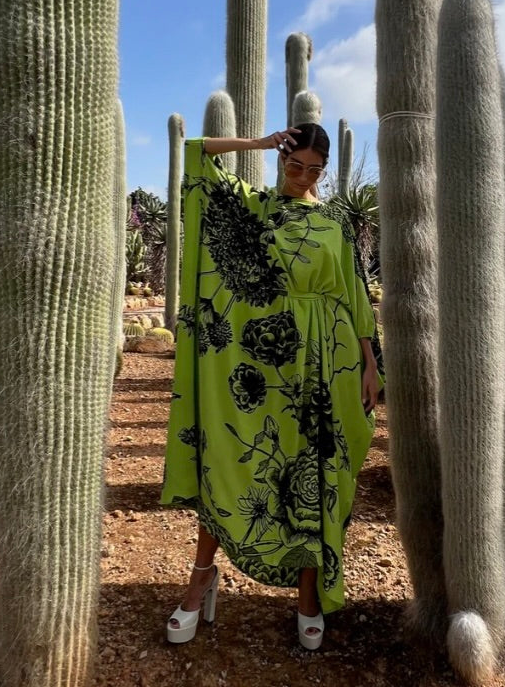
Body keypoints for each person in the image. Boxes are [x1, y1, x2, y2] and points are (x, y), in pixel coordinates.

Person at [160, 123, 382, 650]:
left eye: (313, 169)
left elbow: (354, 295)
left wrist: (372, 363)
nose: (302, 176)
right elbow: (196, 157)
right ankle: (200, 579)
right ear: (283, 160)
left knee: (316, 471)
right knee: (232, 458)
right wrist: (257, 146)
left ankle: (308, 593)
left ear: (324, 171)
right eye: (294, 164)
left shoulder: (334, 222)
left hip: (330, 362)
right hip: (265, 362)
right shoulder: (254, 209)